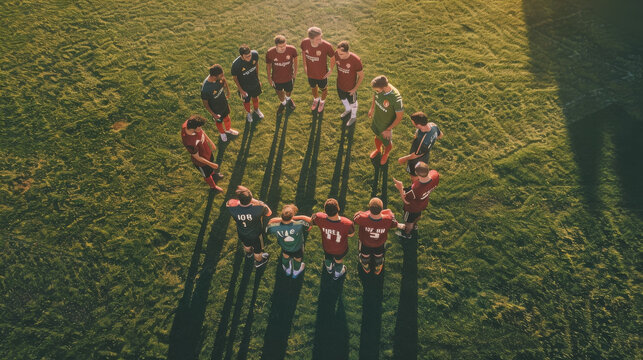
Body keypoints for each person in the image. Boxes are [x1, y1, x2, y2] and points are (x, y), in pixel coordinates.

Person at [227, 186, 272, 267]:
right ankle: (259, 262)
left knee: (246, 245)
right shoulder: (258, 209)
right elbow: (269, 213)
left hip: (242, 232)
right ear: (251, 199)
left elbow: (229, 202)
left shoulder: (232, 209)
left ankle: (249, 253)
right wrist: (256, 201)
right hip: (255, 235)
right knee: (258, 251)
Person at [393, 162, 440, 239]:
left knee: (408, 221)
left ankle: (407, 233)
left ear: (416, 173)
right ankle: (414, 225)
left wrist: (400, 188)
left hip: (412, 208)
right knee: (418, 215)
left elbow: (406, 200)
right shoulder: (435, 175)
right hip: (423, 203)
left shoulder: (416, 188)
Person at [310, 199, 355, 279]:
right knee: (338, 260)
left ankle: (329, 268)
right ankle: (337, 273)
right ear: (338, 208)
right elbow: (351, 234)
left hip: (327, 246)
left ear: (325, 210)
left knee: (327, 257)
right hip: (340, 249)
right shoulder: (347, 223)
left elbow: (313, 217)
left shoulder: (320, 218)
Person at [353, 198, 398, 275]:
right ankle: (378, 266)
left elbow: (355, 217)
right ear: (381, 209)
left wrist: (364, 212)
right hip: (379, 242)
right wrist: (388, 212)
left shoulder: (362, 218)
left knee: (365, 254)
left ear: (369, 208)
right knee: (379, 254)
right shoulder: (388, 219)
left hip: (365, 242)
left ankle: (366, 265)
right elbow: (395, 224)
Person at [180, 115, 224, 192]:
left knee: (211, 168)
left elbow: (201, 131)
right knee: (207, 175)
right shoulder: (189, 142)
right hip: (202, 163)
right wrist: (211, 164)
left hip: (207, 152)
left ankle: (213, 175)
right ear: (193, 128)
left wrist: (210, 142)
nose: (201, 129)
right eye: (199, 127)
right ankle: (213, 187)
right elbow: (197, 157)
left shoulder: (189, 123)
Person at [266, 204, 311, 278]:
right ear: (292, 216)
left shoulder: (274, 227)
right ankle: (296, 271)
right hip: (298, 247)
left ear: (281, 215)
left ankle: (287, 268)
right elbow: (310, 222)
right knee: (298, 259)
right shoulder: (300, 224)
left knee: (285, 256)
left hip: (285, 247)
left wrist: (282, 219)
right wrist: (297, 217)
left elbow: (270, 222)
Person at [368, 75, 404, 165]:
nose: (376, 92)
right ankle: (378, 150)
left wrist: (388, 129)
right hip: (377, 119)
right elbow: (375, 95)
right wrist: (372, 108)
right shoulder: (379, 89)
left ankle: (386, 154)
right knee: (377, 136)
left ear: (384, 87)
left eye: (377, 90)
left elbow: (399, 117)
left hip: (386, 125)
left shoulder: (396, 99)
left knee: (387, 142)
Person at [397, 112, 443, 180]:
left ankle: (415, 188)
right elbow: (440, 135)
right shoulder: (433, 125)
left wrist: (403, 159)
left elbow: (416, 155)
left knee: (414, 175)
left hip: (417, 160)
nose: (412, 123)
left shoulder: (422, 141)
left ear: (418, 124)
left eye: (412, 122)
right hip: (426, 156)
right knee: (422, 171)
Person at [300, 27, 335, 113]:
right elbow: (303, 52)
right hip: (310, 73)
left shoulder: (326, 46)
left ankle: (322, 101)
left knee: (323, 89)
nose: (320, 40)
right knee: (313, 87)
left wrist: (331, 70)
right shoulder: (305, 42)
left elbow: (333, 57)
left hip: (322, 74)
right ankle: (316, 99)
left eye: (320, 38)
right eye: (317, 39)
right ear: (310, 39)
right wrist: (305, 65)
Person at [201, 64, 239, 142]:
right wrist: (213, 114)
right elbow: (206, 104)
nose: (223, 76)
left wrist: (228, 91)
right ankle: (222, 133)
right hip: (216, 109)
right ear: (215, 76)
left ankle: (228, 130)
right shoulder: (206, 89)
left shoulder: (219, 78)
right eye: (221, 75)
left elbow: (224, 81)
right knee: (219, 122)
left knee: (227, 118)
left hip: (223, 103)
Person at [332, 41, 364, 126]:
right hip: (340, 84)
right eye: (338, 53)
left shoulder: (355, 60)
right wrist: (330, 69)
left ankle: (353, 116)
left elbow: (361, 76)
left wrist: (355, 89)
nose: (339, 55)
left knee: (353, 102)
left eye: (341, 54)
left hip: (350, 87)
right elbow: (333, 59)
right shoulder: (337, 54)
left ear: (347, 52)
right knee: (343, 99)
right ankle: (348, 109)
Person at [231, 45, 265, 123]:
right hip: (244, 86)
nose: (249, 58)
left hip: (254, 82)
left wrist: (258, 79)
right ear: (241, 56)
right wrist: (241, 90)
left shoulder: (255, 55)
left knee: (255, 97)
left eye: (250, 55)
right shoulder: (236, 65)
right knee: (246, 101)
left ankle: (256, 110)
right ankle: (248, 113)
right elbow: (235, 78)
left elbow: (256, 65)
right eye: (247, 57)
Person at [266, 35, 298, 115]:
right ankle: (283, 103)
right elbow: (268, 65)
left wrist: (295, 73)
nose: (283, 48)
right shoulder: (270, 52)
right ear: (276, 46)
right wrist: (269, 78)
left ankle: (288, 99)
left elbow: (296, 60)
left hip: (288, 77)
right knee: (279, 92)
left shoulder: (292, 49)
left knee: (289, 90)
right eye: (280, 47)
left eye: (284, 45)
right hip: (277, 78)